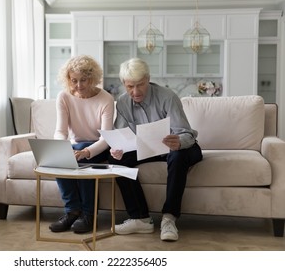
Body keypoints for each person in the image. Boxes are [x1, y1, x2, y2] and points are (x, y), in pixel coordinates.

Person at [108, 57, 203, 241]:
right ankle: (140, 218)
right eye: (130, 86)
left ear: (148, 79)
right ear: (123, 84)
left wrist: (177, 141)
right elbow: (121, 135)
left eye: (140, 85)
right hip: (147, 148)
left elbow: (187, 134)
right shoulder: (122, 103)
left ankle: (169, 218)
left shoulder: (167, 97)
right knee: (116, 159)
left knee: (178, 155)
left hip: (180, 147)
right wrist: (117, 149)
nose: (135, 92)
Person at [49, 55, 115, 234]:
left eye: (83, 80)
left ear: (92, 78)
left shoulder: (106, 99)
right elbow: (60, 131)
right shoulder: (63, 97)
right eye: (74, 80)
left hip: (98, 146)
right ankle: (72, 211)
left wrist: (86, 151)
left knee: (83, 161)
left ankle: (88, 214)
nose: (79, 86)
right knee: (60, 158)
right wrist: (60, 147)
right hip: (75, 145)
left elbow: (106, 138)